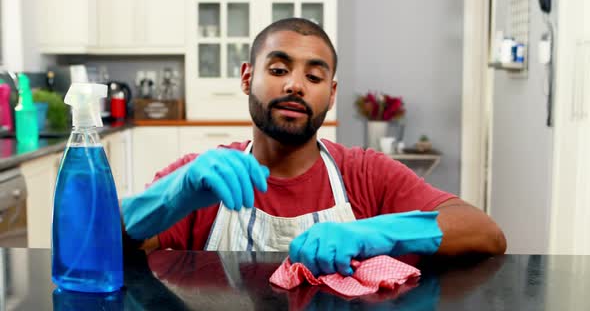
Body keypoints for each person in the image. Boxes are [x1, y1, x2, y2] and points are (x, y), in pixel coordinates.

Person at [122, 18, 506, 277]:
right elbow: (97, 242)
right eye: (277, 70)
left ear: (331, 93)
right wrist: (172, 195)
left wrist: (373, 234)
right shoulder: (202, 178)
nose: (295, 85)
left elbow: (485, 234)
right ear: (246, 77)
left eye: (314, 75)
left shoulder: (366, 173)